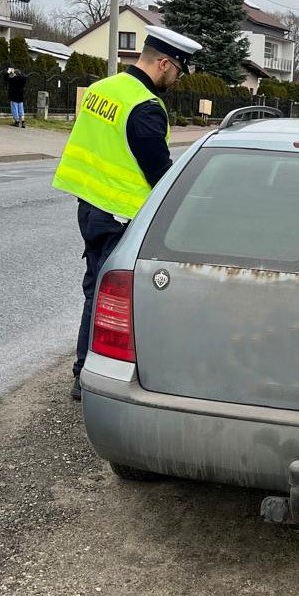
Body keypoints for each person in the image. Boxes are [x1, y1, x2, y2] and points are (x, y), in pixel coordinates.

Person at [52, 26, 201, 400]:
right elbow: (159, 175)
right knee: (110, 297)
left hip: (89, 207)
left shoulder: (104, 89)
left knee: (95, 289)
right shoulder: (145, 106)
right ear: (164, 63)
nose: (177, 80)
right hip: (120, 215)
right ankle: (87, 377)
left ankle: (83, 372)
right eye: (178, 72)